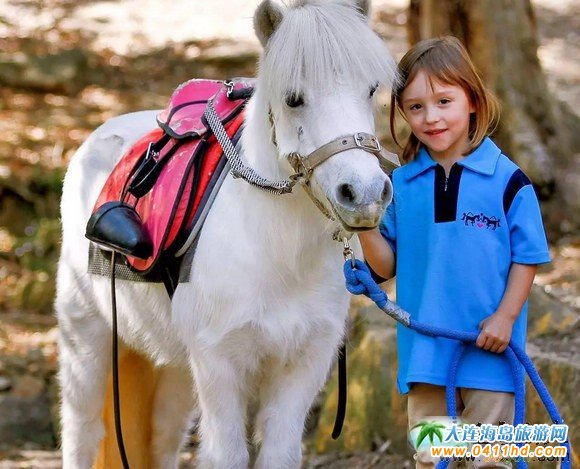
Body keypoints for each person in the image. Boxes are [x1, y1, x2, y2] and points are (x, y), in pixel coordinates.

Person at [358, 36, 551, 468]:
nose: (431, 117)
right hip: (425, 359)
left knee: (489, 462)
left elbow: (528, 257)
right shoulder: (401, 186)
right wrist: (363, 227)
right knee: (433, 459)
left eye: (444, 101)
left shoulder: (508, 180)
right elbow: (386, 267)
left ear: (473, 101)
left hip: (491, 358)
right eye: (415, 107)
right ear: (401, 113)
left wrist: (505, 318)